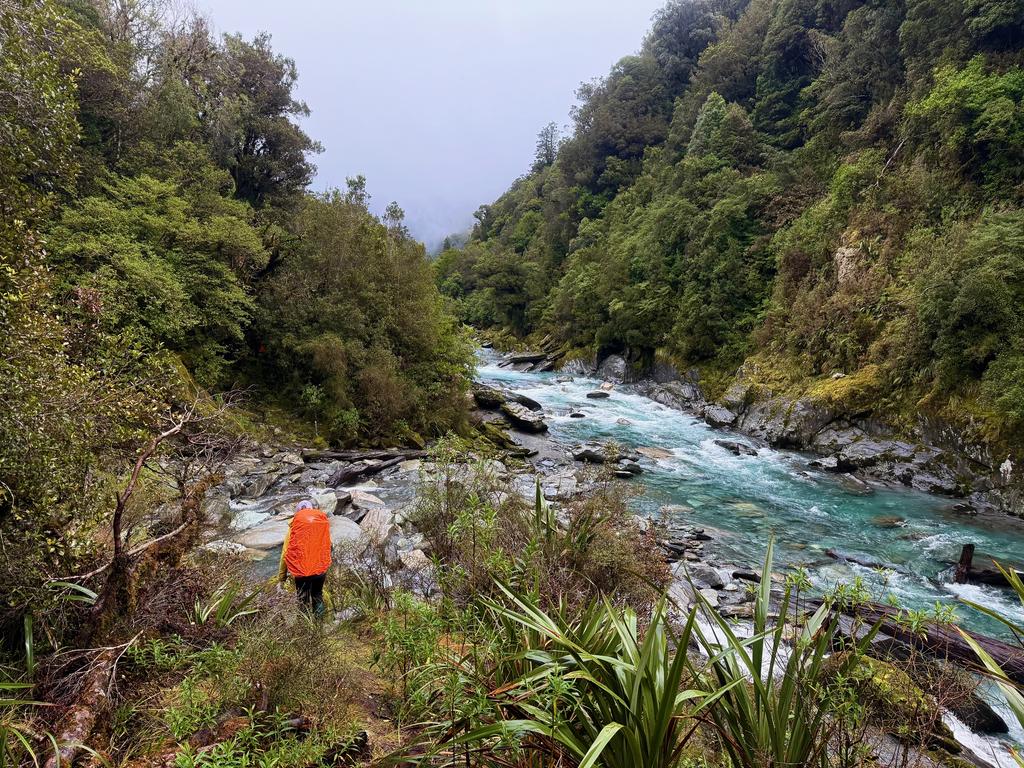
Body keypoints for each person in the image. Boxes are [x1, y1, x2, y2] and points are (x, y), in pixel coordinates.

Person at [277, 500, 332, 615]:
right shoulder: (320, 524)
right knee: (317, 594)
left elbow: (286, 553)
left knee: (303, 599)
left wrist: (282, 578)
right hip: (320, 569)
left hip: (301, 571)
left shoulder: (294, 526)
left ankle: (305, 628)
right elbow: (327, 546)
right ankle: (320, 625)